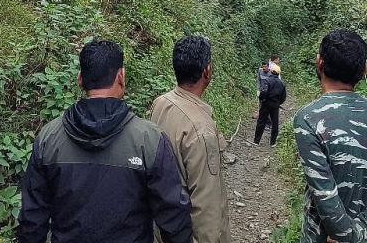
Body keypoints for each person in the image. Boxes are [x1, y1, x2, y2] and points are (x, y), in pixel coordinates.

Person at [17, 39, 192, 243]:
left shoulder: (49, 138)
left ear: (80, 79)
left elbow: (32, 220)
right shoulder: (149, 140)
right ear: (121, 76)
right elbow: (173, 217)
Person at [294, 29, 367, 243]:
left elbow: (324, 193)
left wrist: (347, 234)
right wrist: (362, 229)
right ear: (364, 70)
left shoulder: (309, 119)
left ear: (319, 62)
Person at [149, 34, 231, 243]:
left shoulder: (161, 103)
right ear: (207, 71)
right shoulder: (201, 130)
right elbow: (207, 206)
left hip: (164, 227)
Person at [253, 64, 286, 147]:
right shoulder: (282, 83)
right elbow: (283, 96)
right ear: (278, 73)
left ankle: (256, 141)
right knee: (275, 123)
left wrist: (261, 98)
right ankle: (273, 142)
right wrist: (278, 102)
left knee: (261, 121)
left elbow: (263, 92)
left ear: (271, 71)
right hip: (276, 105)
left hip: (266, 103)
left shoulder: (267, 81)